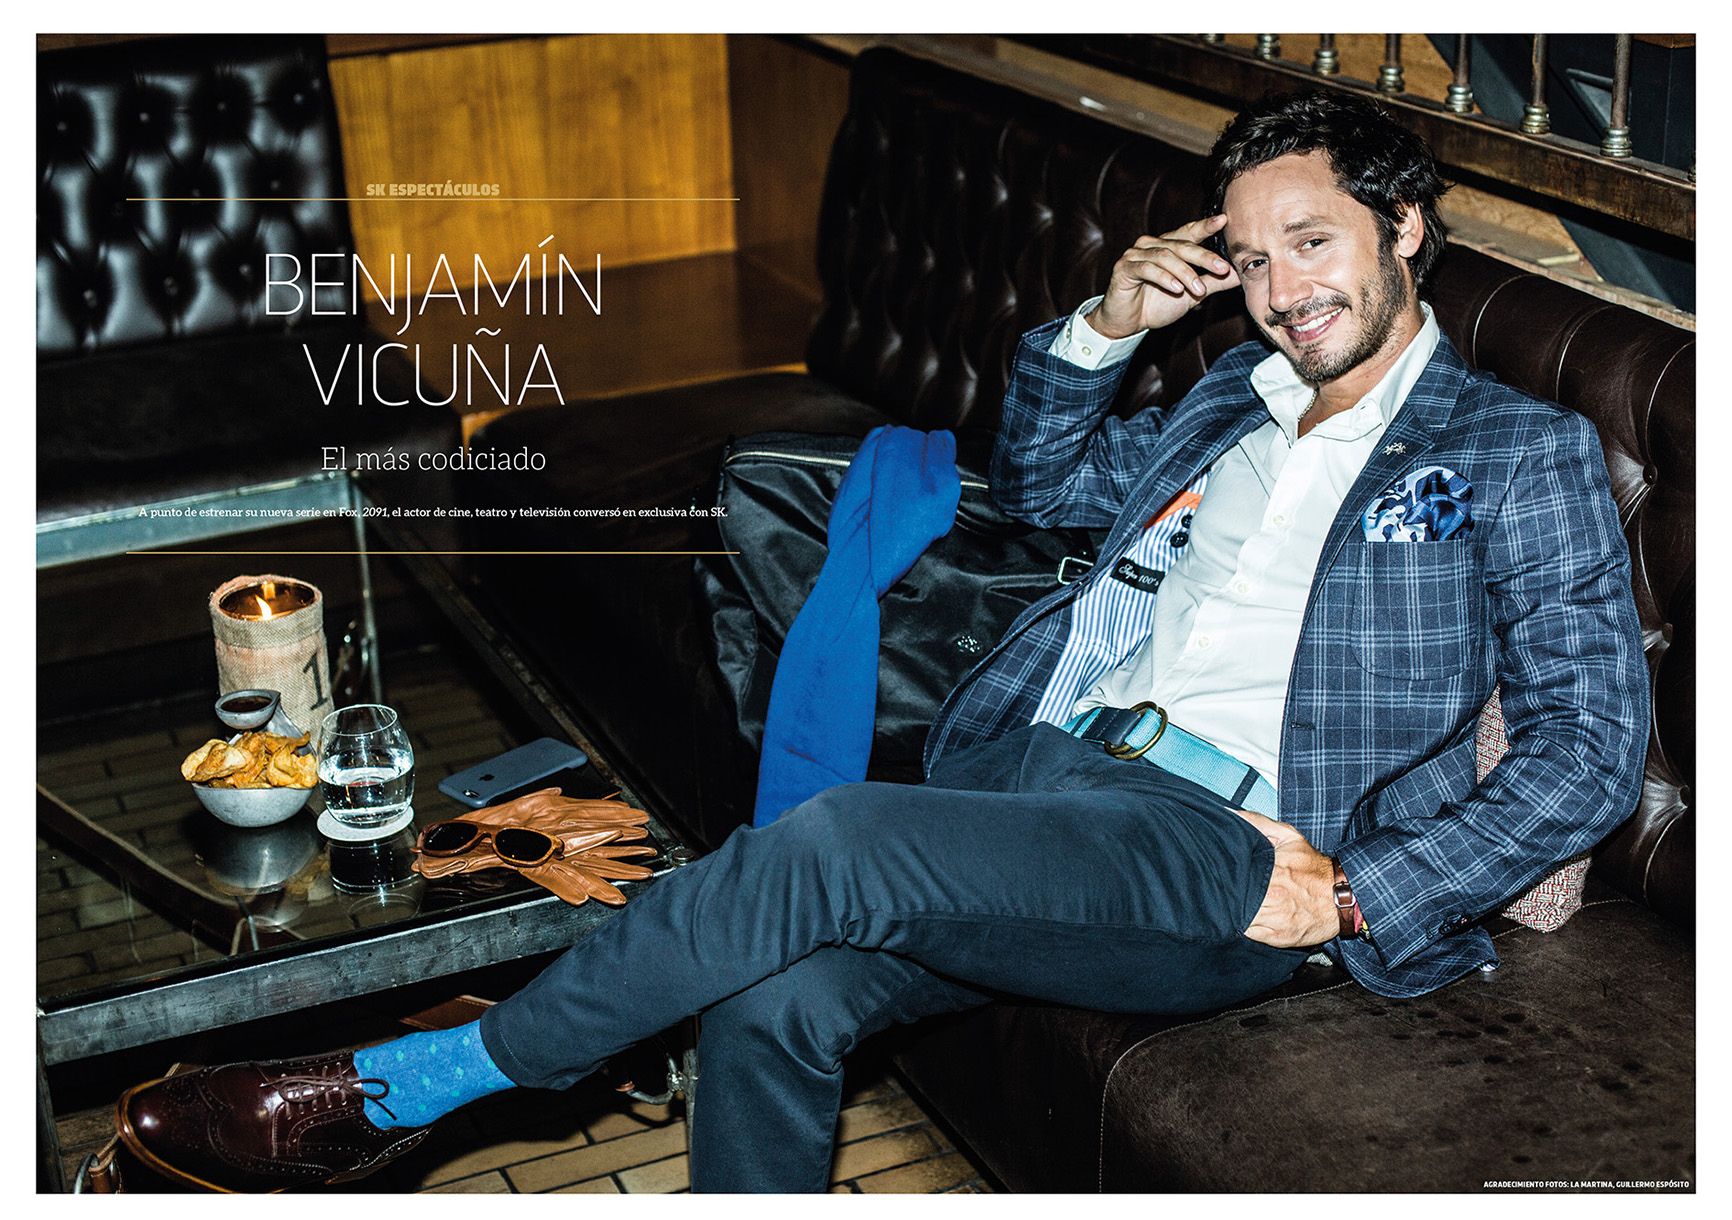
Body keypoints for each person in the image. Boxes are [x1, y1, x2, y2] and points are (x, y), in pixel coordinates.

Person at [116, 90, 1646, 1194]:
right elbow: (1042, 491)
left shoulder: (1517, 450)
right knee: (774, 998)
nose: (1279, 291)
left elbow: (1589, 749)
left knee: (837, 836)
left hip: (1238, 846)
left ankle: (406, 1086)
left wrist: (1364, 894)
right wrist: (1106, 327)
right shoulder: (1226, 402)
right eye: (1248, 260)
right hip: (1046, 776)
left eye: (1310, 243)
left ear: (1405, 228)